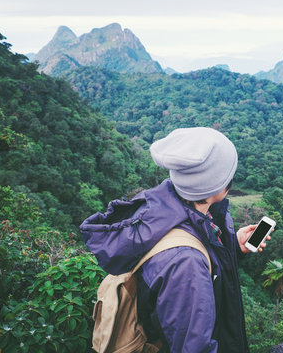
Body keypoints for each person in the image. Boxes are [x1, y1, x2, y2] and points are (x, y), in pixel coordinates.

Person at [83, 127, 269, 353]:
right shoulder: (186, 262)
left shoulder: (163, 210)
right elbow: (193, 347)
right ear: (216, 188)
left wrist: (232, 247)